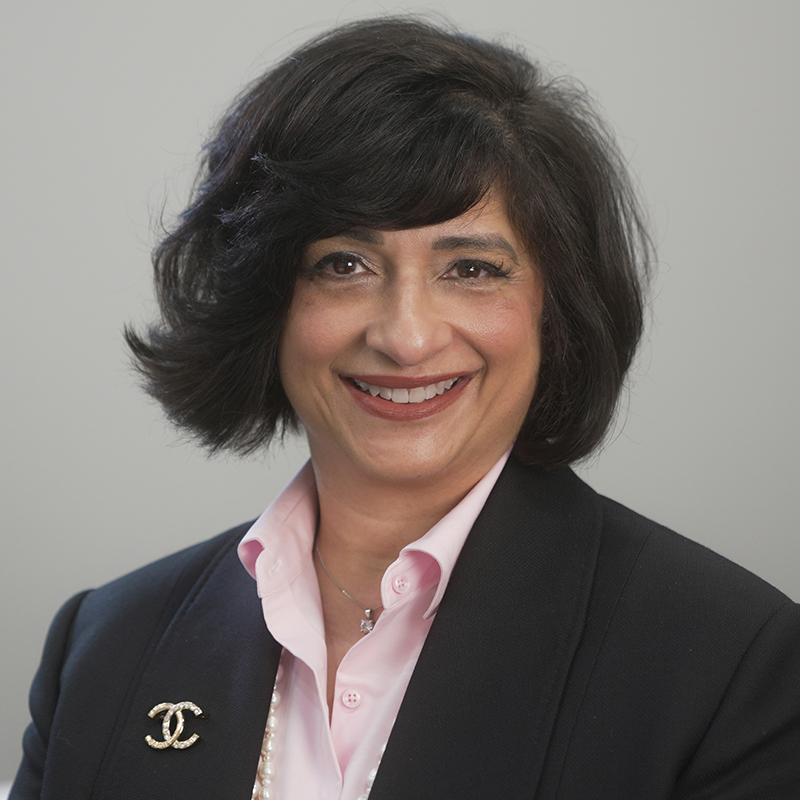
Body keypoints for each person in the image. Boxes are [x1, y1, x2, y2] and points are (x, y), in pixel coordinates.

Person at [11, 17, 800, 800]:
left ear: (555, 309)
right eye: (343, 264)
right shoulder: (104, 650)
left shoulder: (732, 667)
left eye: (472, 269)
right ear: (264, 301)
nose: (406, 337)